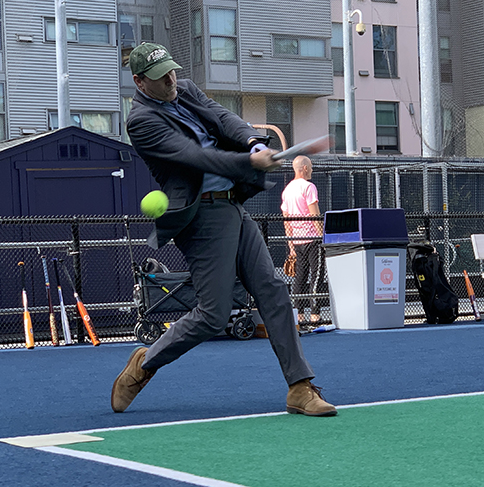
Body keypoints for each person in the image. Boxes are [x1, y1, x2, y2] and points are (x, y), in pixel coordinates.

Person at [111, 43, 336, 417]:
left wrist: (252, 141)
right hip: (201, 217)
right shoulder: (141, 122)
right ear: (139, 82)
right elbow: (195, 156)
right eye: (159, 77)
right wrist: (247, 161)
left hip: (233, 205)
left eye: (170, 70)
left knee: (273, 290)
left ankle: (299, 387)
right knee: (213, 315)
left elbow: (224, 117)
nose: (170, 80)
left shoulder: (185, 89)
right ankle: (145, 363)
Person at [281, 155, 327, 325]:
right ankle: (315, 315)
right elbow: (314, 214)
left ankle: (298, 315)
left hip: (297, 239)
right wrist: (323, 236)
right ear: (305, 168)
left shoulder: (287, 190)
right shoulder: (309, 187)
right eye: (311, 166)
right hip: (313, 239)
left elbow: (285, 219)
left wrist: (290, 243)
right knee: (316, 276)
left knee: (299, 277)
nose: (312, 169)